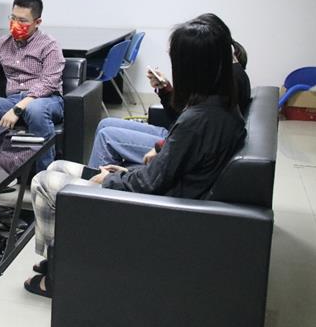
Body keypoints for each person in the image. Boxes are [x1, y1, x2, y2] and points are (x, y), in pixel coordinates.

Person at [25, 16, 248, 297]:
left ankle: (61, 276)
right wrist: (124, 173)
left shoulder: (197, 121)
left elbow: (151, 184)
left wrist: (110, 181)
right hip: (163, 195)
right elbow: (163, 172)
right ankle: (58, 258)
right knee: (57, 166)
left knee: (43, 181)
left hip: (154, 211)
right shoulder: (220, 105)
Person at [88, 13, 251, 170]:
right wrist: (166, 90)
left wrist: (161, 147)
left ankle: (91, 187)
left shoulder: (230, 82)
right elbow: (185, 117)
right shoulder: (223, 77)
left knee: (106, 136)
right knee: (105, 123)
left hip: (178, 140)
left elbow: (197, 130)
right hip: (177, 133)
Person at [0, 0, 65, 169]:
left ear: (37, 22)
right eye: (13, 18)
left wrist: (18, 108)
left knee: (35, 109)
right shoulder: (3, 43)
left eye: (22, 20)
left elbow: (49, 82)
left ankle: (45, 173)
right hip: (12, 100)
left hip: (46, 100)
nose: (16, 24)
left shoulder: (49, 45)